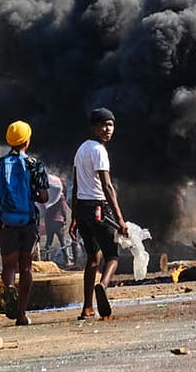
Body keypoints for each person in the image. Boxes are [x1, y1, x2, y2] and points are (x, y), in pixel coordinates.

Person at [0, 120, 50, 326]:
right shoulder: (34, 165)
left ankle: (9, 287)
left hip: (6, 223)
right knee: (27, 268)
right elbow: (44, 197)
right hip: (28, 222)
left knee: (8, 266)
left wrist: (2, 201)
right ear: (27, 141)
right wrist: (30, 196)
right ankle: (21, 313)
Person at [71, 108, 128, 319]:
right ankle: (102, 286)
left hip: (83, 209)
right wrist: (120, 219)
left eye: (111, 125)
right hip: (98, 208)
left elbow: (75, 186)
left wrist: (74, 217)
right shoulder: (99, 151)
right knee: (112, 256)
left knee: (92, 259)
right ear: (93, 128)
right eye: (103, 125)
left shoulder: (81, 149)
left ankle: (87, 308)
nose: (107, 129)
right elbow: (107, 186)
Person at [45, 190, 71, 265]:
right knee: (62, 242)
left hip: (49, 221)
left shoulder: (49, 196)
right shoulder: (61, 197)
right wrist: (65, 218)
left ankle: (47, 259)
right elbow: (64, 209)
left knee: (49, 241)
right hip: (59, 221)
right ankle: (67, 260)